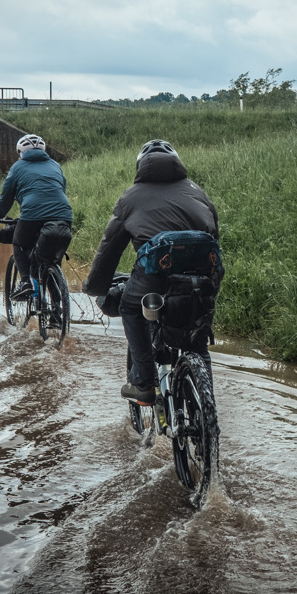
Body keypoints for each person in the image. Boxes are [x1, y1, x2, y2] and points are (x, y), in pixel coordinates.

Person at [83, 139, 220, 405]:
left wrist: (96, 286)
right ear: (177, 163)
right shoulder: (197, 191)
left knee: (130, 308)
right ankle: (206, 406)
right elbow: (215, 235)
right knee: (197, 340)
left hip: (156, 272)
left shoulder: (131, 197)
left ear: (140, 166)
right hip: (203, 273)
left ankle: (144, 384)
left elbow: (110, 247)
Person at [0, 134, 73, 298]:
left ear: (21, 152)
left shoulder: (18, 167)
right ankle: (57, 314)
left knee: (19, 243)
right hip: (63, 214)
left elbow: (6, 197)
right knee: (53, 260)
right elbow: (61, 188)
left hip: (32, 214)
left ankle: (26, 281)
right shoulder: (55, 165)